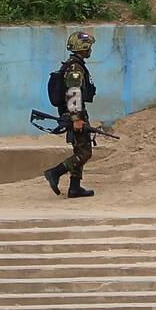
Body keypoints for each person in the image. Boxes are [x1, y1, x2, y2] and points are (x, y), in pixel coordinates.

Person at [43, 31, 98, 199]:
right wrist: (77, 118)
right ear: (83, 48)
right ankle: (55, 172)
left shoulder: (74, 64)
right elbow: (73, 93)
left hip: (74, 113)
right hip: (74, 114)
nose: (91, 49)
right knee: (85, 153)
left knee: (79, 148)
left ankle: (75, 188)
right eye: (89, 47)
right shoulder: (75, 68)